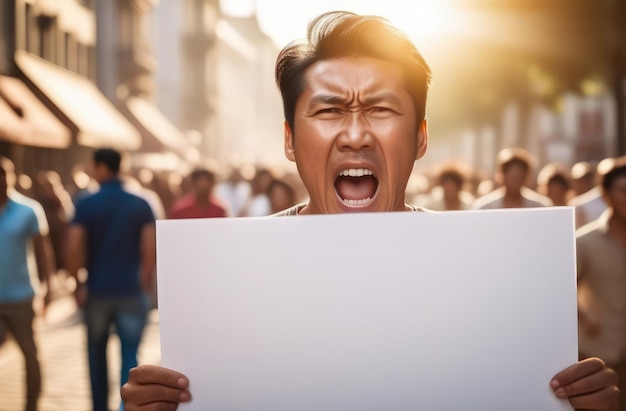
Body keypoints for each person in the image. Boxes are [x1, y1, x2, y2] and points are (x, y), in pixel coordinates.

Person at [120, 11, 619, 411]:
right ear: (290, 140)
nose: (356, 134)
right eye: (330, 109)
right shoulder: (225, 279)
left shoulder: (492, 277)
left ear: (420, 138)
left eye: (380, 109)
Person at [66, 148, 156, 411]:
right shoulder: (141, 202)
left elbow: (73, 248)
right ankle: (125, 406)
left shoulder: (86, 202)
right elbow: (150, 249)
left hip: (97, 290)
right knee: (130, 357)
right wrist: (144, 283)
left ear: (101, 167)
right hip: (130, 290)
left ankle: (98, 407)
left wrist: (78, 284)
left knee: (96, 355)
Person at [0, 157, 54, 411]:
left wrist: (48, 288)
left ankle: (31, 405)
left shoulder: (28, 210)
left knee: (29, 354)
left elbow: (44, 253)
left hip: (21, 296)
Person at [576, 155, 626, 411]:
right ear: (605, 195)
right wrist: (585, 317)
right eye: (623, 191)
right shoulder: (584, 242)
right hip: (598, 354)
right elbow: (559, 293)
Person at [472, 147, 553, 209]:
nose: (515, 182)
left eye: (519, 177)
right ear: (502, 175)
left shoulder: (540, 206)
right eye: (512, 177)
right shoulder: (484, 207)